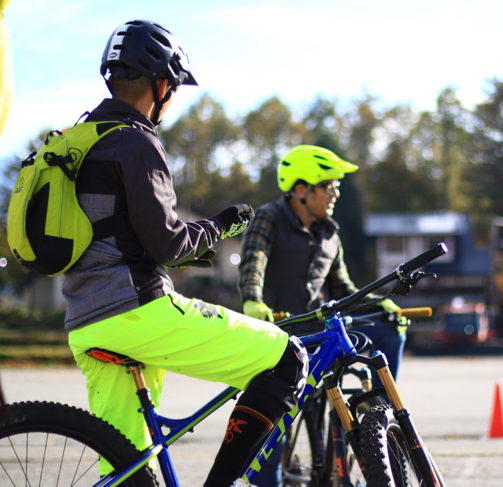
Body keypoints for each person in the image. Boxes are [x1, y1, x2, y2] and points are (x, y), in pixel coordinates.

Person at [62, 20, 308, 487]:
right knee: (287, 359)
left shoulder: (79, 139)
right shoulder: (135, 141)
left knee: (129, 468)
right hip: (137, 312)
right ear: (160, 83)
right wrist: (219, 226)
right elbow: (170, 243)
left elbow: (112, 232)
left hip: (84, 319)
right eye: (173, 88)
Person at [238, 144, 407, 486]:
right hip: (280, 333)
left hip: (322, 332)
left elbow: (343, 289)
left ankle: (379, 411)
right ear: (301, 189)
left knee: (390, 331)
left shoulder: (330, 233)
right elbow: (253, 260)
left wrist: (381, 303)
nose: (336, 192)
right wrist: (252, 300)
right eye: (329, 185)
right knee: (273, 430)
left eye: (336, 185)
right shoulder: (270, 217)